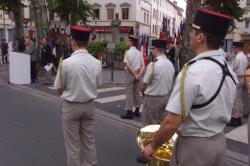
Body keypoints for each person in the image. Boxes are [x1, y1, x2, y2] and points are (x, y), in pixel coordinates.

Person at [143, 8, 237, 166]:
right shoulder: (228, 70)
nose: (189, 36)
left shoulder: (192, 72)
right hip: (219, 143)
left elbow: (171, 123)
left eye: (192, 32)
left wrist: (152, 146)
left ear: (200, 37)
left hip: (194, 147)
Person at [54, 25, 102, 166]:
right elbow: (97, 84)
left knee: (73, 145)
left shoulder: (66, 63)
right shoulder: (97, 63)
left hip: (71, 106)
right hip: (89, 106)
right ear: (87, 43)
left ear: (73, 41)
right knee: (89, 141)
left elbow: (59, 89)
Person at [137, 39, 175, 164]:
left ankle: (147, 154)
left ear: (155, 50)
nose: (151, 51)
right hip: (166, 98)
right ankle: (160, 151)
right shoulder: (170, 64)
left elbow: (144, 84)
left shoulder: (153, 65)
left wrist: (143, 93)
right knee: (160, 127)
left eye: (152, 49)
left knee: (148, 127)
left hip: (153, 98)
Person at [121, 35, 145, 119]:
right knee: (136, 92)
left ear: (131, 42)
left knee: (129, 92)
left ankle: (129, 112)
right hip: (138, 73)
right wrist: (139, 75)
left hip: (130, 73)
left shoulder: (127, 52)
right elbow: (143, 65)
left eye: (128, 41)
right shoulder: (140, 53)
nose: (127, 42)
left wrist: (134, 75)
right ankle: (137, 110)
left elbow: (127, 65)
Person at [227, 41, 248, 127]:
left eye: (234, 48)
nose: (233, 49)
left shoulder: (237, 58)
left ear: (237, 48)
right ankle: (239, 117)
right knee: (239, 99)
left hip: (236, 78)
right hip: (242, 78)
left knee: (235, 99)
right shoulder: (244, 57)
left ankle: (234, 118)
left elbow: (231, 69)